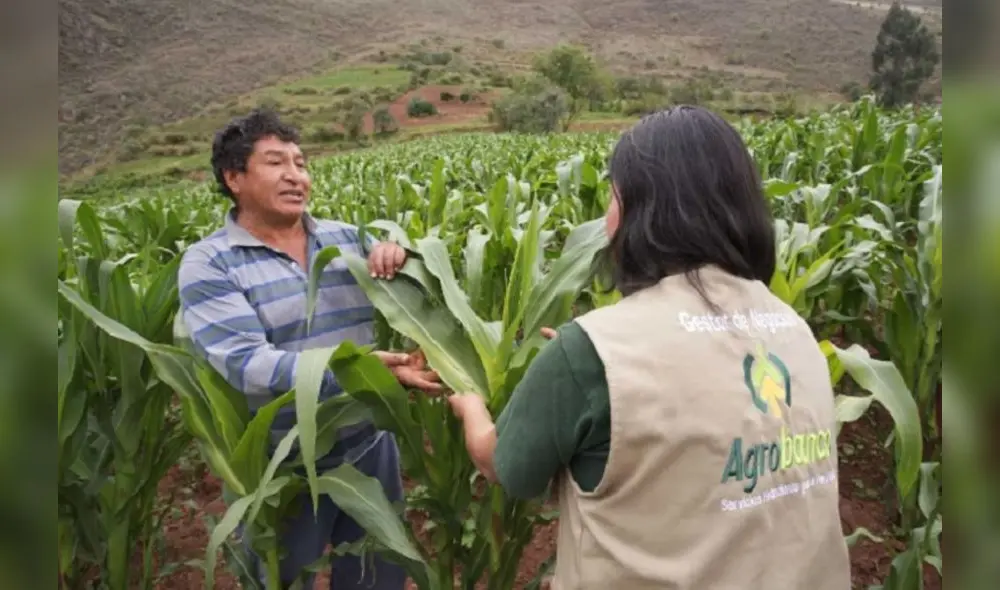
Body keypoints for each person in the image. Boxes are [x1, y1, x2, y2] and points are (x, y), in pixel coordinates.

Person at [446, 106, 852, 589]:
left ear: (645, 209)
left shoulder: (592, 354)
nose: (604, 217)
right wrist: (584, 372)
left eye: (613, 196)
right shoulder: (792, 327)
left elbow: (503, 466)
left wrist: (471, 405)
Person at [177, 108, 440, 589]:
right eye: (277, 163)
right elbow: (246, 364)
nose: (296, 175)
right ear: (234, 178)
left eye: (301, 162)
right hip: (283, 463)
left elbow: (420, 287)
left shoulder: (345, 240)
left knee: (375, 575)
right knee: (285, 578)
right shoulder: (211, 263)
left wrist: (401, 250)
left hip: (368, 445)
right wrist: (358, 371)